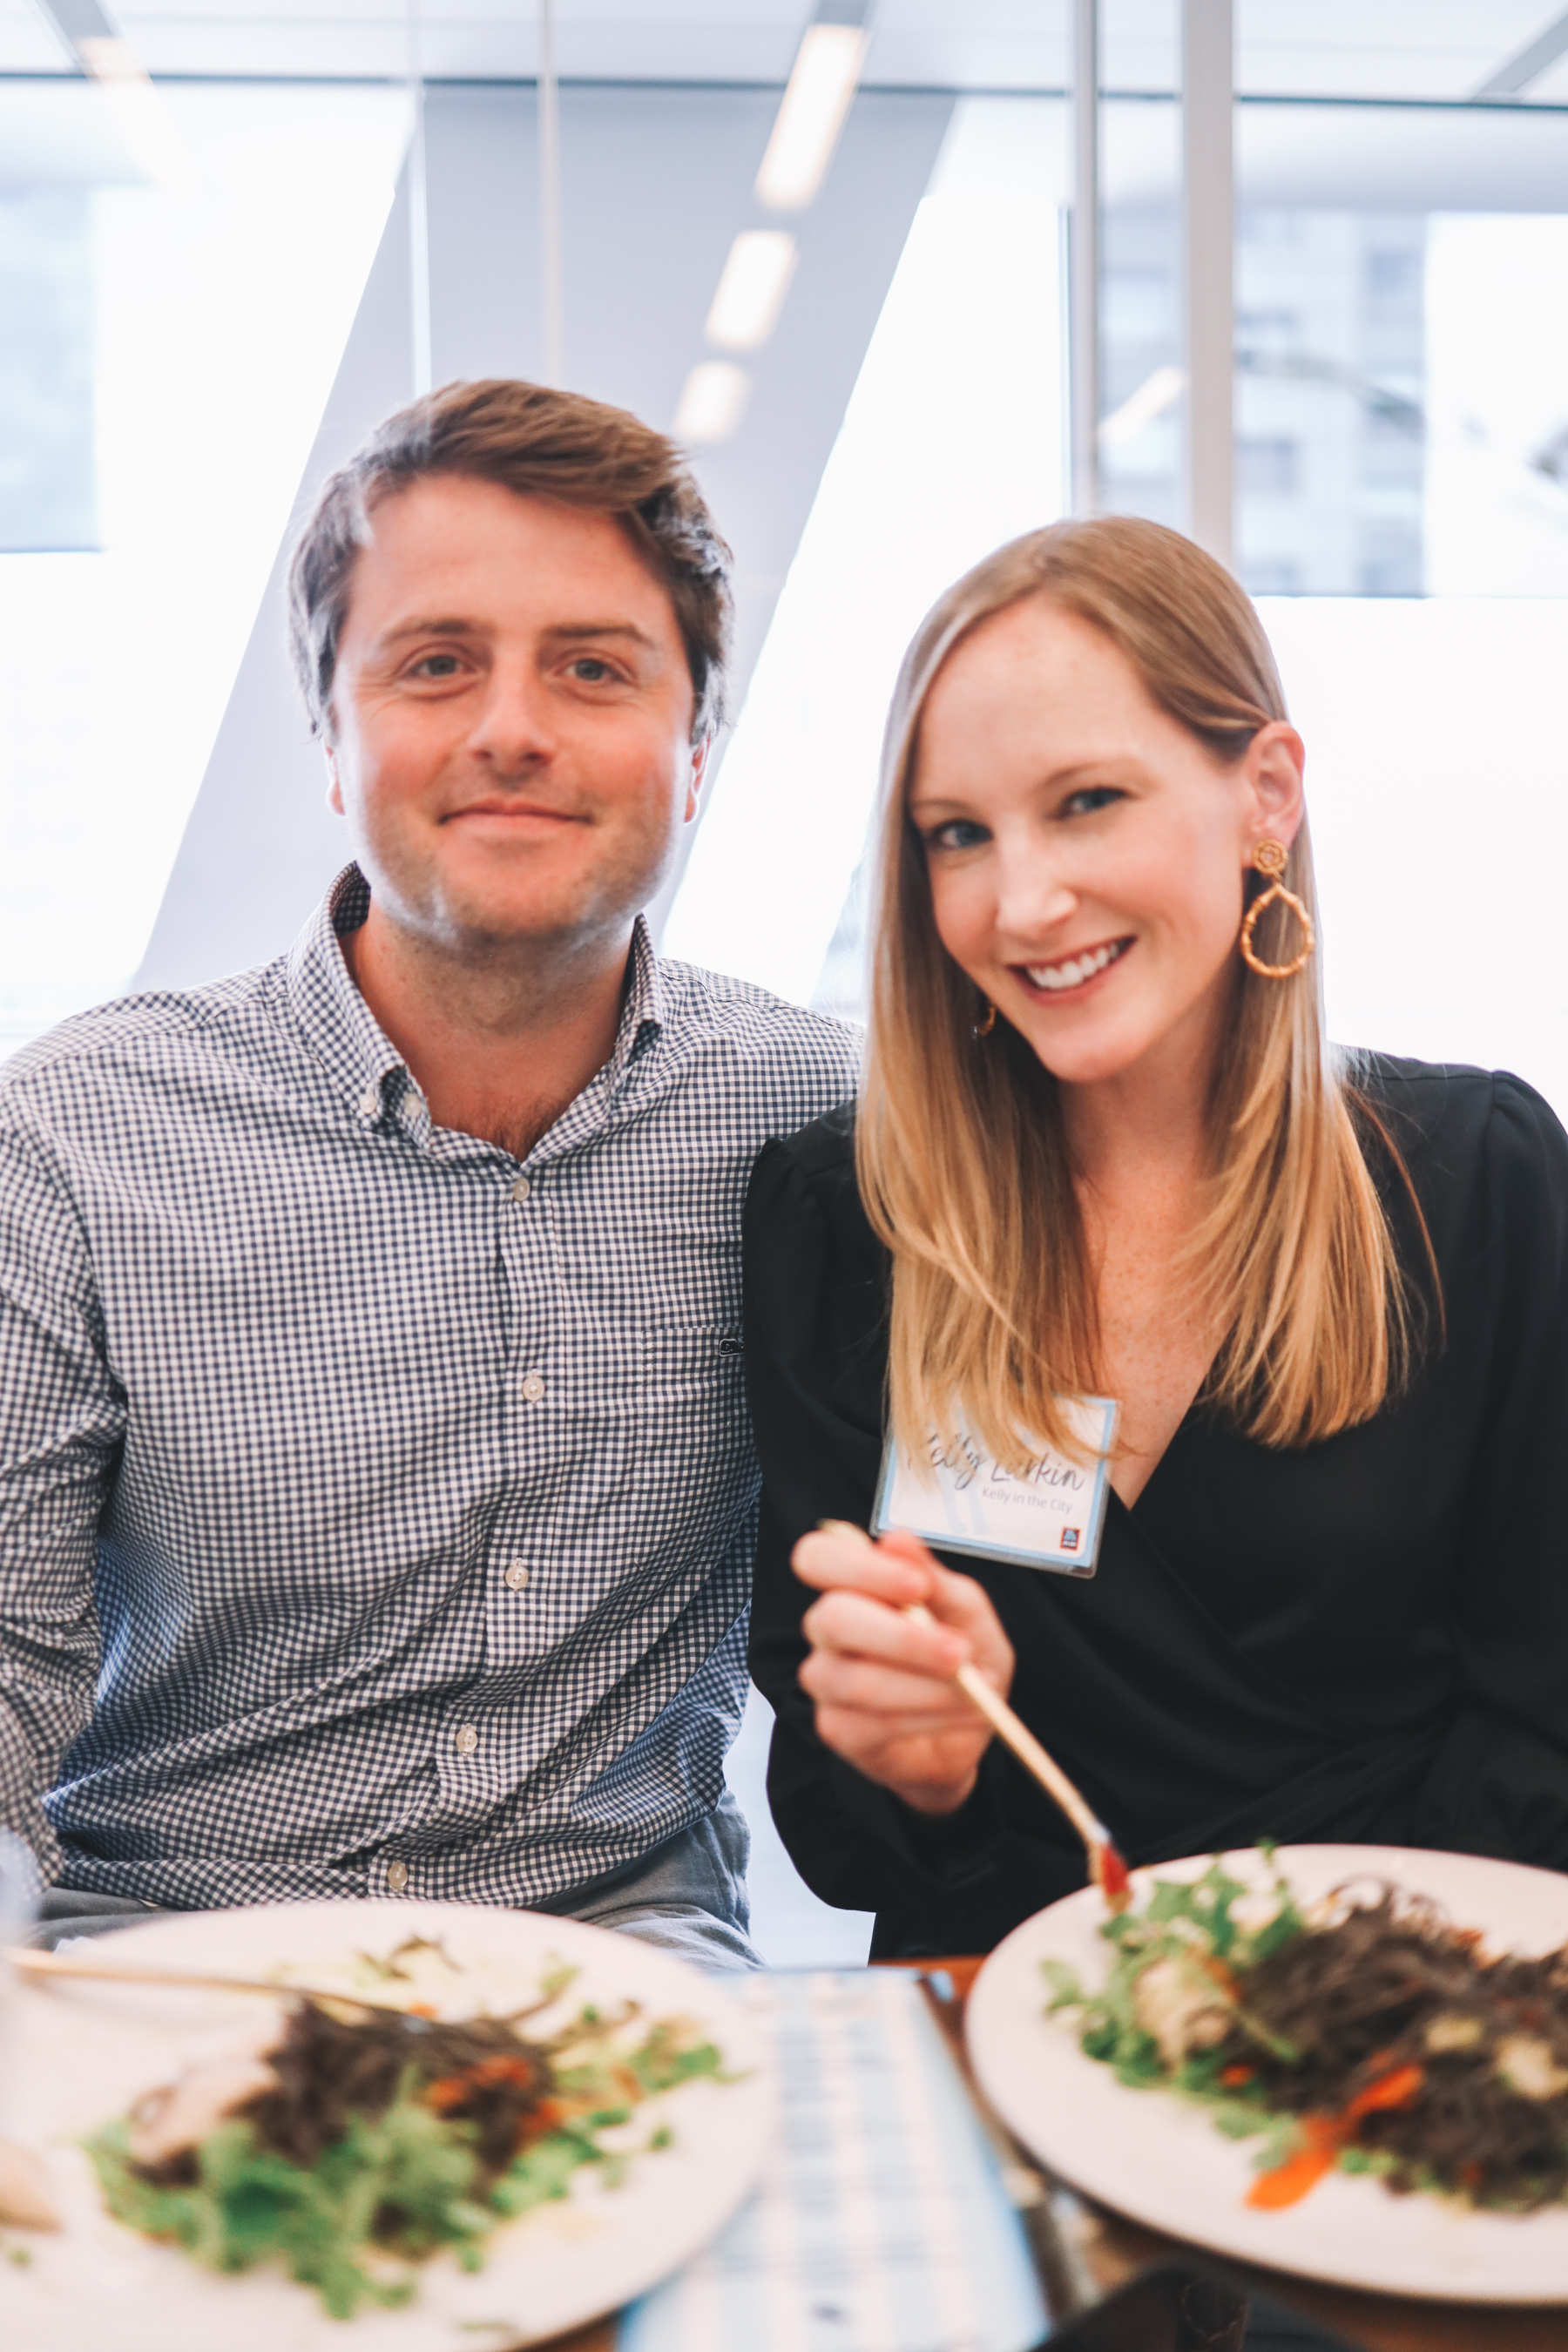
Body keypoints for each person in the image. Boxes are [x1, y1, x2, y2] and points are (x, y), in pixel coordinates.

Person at [0, 377, 858, 1963]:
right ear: (331, 735)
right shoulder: (74, 1132)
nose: (512, 727)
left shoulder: (827, 1123)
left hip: (626, 1946)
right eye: (437, 664)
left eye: (593, 668)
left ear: (697, 747)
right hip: (164, 1945)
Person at [744, 515, 1568, 1960]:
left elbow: (1545, 1727)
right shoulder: (849, 1221)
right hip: (1009, 2009)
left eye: (1087, 802)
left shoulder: (1477, 1188)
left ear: (1265, 795)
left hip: (1399, 2005)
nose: (1023, 901)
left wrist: (1331, 2003)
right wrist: (920, 1765)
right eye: (959, 835)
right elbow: (831, 1819)